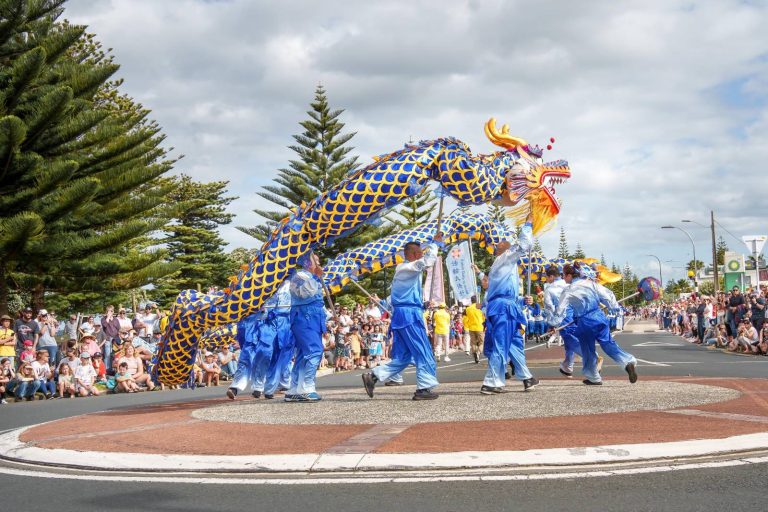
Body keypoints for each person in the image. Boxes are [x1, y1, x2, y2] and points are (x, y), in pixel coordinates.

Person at [363, 234, 443, 401]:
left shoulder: (406, 272)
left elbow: (393, 299)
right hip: (409, 316)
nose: (422, 254)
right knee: (423, 351)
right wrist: (435, 244)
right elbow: (428, 262)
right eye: (420, 252)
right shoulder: (405, 268)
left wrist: (421, 304)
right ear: (414, 254)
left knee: (404, 357)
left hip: (405, 315)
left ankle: (374, 376)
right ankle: (424, 388)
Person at [478, 214, 538, 394]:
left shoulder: (505, 266)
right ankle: (491, 382)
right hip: (503, 309)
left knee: (513, 343)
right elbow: (524, 245)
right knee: (501, 344)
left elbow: (506, 293)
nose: (515, 253)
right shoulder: (504, 259)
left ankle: (526, 377)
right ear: (505, 250)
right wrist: (527, 224)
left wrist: (522, 300)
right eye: (511, 249)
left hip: (507, 306)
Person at [552, 263, 638, 385]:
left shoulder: (568, 290)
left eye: (564, 275)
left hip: (584, 321)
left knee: (588, 349)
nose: (563, 277)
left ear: (570, 275)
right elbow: (608, 296)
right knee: (608, 344)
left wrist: (553, 324)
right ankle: (627, 361)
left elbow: (560, 311)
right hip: (599, 316)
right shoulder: (591, 283)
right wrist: (613, 307)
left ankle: (593, 376)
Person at [285, 251, 328, 402]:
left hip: (312, 318)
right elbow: (304, 294)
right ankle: (307, 387)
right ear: (308, 263)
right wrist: (316, 276)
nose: (318, 264)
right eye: (315, 261)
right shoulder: (299, 276)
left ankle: (295, 387)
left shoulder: (311, 277)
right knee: (314, 351)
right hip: (304, 318)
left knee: (304, 353)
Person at [544, 265, 587, 378]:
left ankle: (592, 358)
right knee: (569, 343)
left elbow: (549, 307)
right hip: (575, 314)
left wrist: (551, 324)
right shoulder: (568, 284)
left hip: (562, 316)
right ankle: (568, 366)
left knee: (570, 339)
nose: (546, 279)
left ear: (551, 276)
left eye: (547, 277)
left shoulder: (549, 289)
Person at [464, 296, 485, 363]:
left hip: (471, 327)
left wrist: (467, 325)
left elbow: (465, 318)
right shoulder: (479, 307)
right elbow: (484, 317)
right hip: (479, 327)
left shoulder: (468, 309)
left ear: (471, 301)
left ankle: (475, 353)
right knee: (481, 342)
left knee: (473, 342)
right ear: (477, 300)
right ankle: (478, 352)